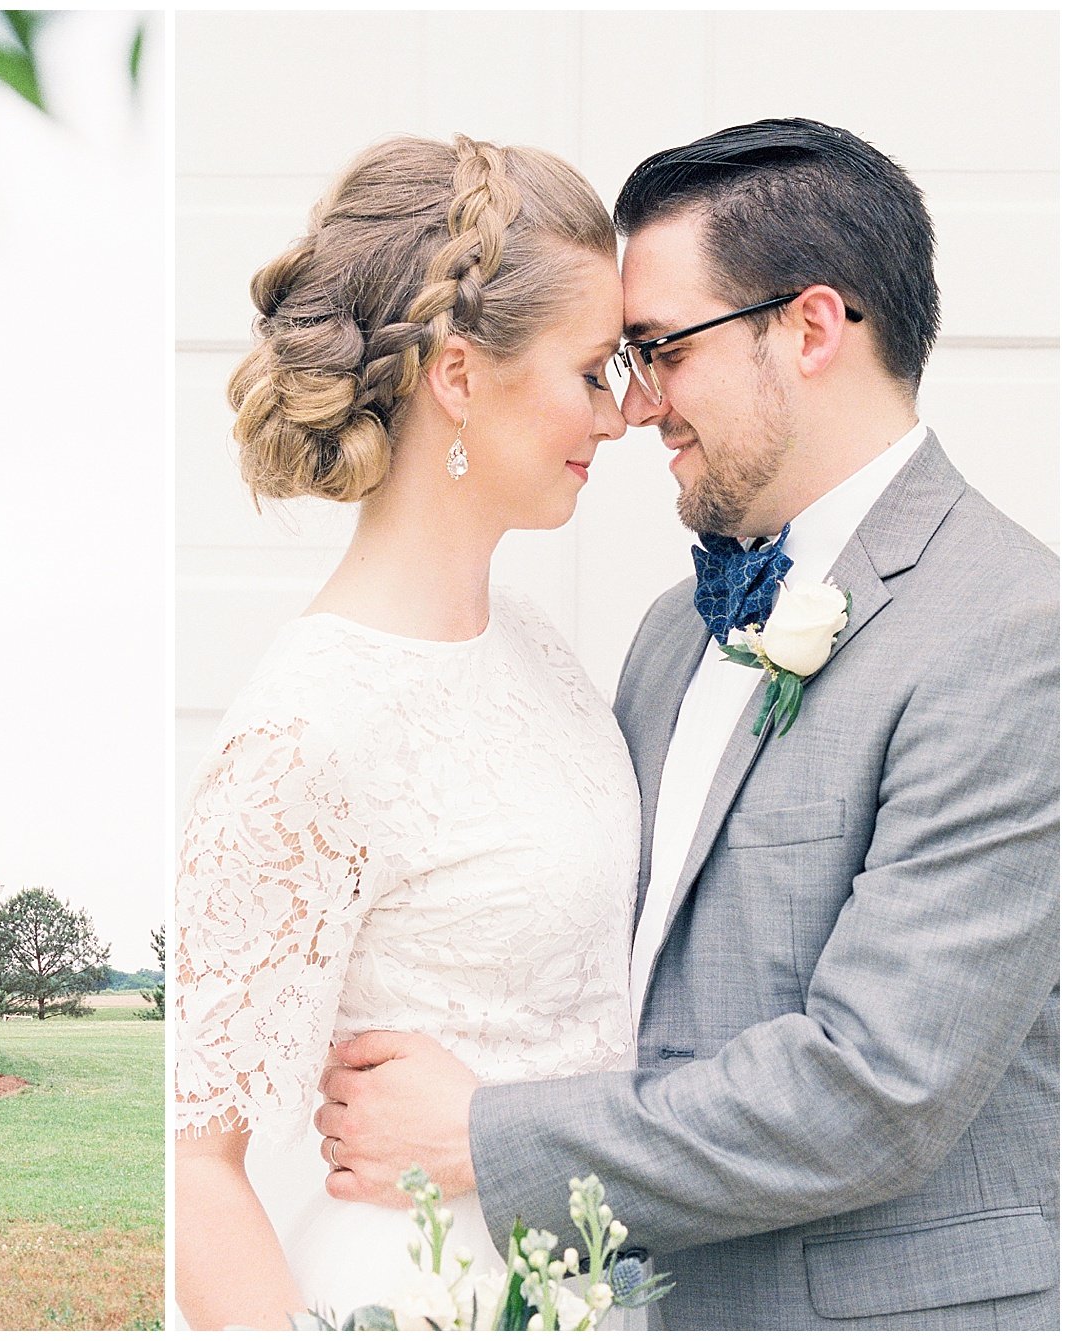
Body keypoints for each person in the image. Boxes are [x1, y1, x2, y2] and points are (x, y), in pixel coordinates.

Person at [314, 119, 1059, 1329]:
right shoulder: (673, 631)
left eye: (660, 348)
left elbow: (876, 1088)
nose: (636, 405)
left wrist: (482, 1136)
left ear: (810, 328)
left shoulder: (1016, 634)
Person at [174, 133, 637, 1328]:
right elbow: (193, 1168)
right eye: (592, 371)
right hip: (429, 1294)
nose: (623, 413)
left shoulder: (535, 643)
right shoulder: (305, 733)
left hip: (592, 1276)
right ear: (461, 376)